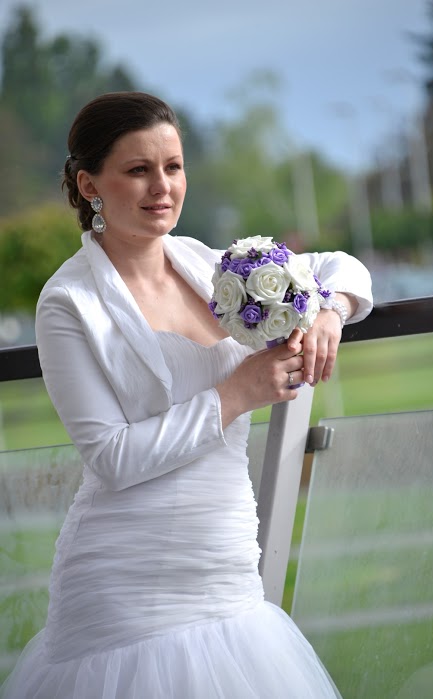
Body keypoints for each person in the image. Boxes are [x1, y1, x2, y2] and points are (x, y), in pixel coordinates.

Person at [0, 91, 372, 699]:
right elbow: (111, 457)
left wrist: (329, 311)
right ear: (90, 185)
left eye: (173, 167)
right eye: (138, 170)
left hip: (228, 571)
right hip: (126, 595)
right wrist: (237, 393)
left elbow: (341, 265)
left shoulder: (211, 265)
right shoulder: (68, 302)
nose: (162, 187)